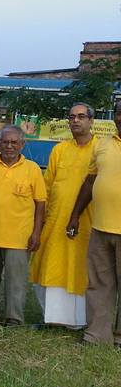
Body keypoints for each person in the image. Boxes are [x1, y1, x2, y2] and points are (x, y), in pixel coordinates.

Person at [0, 125, 46, 325]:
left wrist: (36, 233)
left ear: (22, 144)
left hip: (20, 238)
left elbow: (40, 203)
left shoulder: (33, 169)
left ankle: (14, 319)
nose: (9, 146)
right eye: (5, 142)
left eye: (14, 142)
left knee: (16, 282)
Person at [31, 103, 96, 328]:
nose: (75, 120)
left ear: (91, 121)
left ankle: (80, 322)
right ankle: (52, 319)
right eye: (71, 117)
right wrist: (41, 219)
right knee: (51, 265)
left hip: (88, 222)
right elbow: (48, 186)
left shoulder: (100, 149)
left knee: (81, 269)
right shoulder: (59, 150)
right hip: (56, 221)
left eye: (81, 116)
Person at [68, 99, 121, 346]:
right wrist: (75, 215)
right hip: (100, 228)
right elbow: (90, 182)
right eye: (118, 113)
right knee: (99, 284)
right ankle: (97, 335)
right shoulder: (102, 144)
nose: (120, 118)